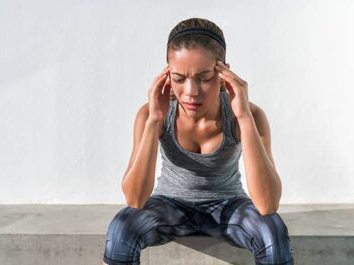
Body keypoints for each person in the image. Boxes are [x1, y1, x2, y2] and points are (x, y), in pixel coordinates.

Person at [102, 17, 294, 265]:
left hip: (228, 206)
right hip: (169, 205)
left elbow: (267, 204)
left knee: (272, 230)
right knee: (121, 227)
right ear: (167, 76)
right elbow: (135, 199)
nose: (191, 91)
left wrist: (244, 117)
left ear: (224, 73)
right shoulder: (150, 114)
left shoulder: (249, 115)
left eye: (204, 78)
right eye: (179, 78)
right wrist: (154, 120)